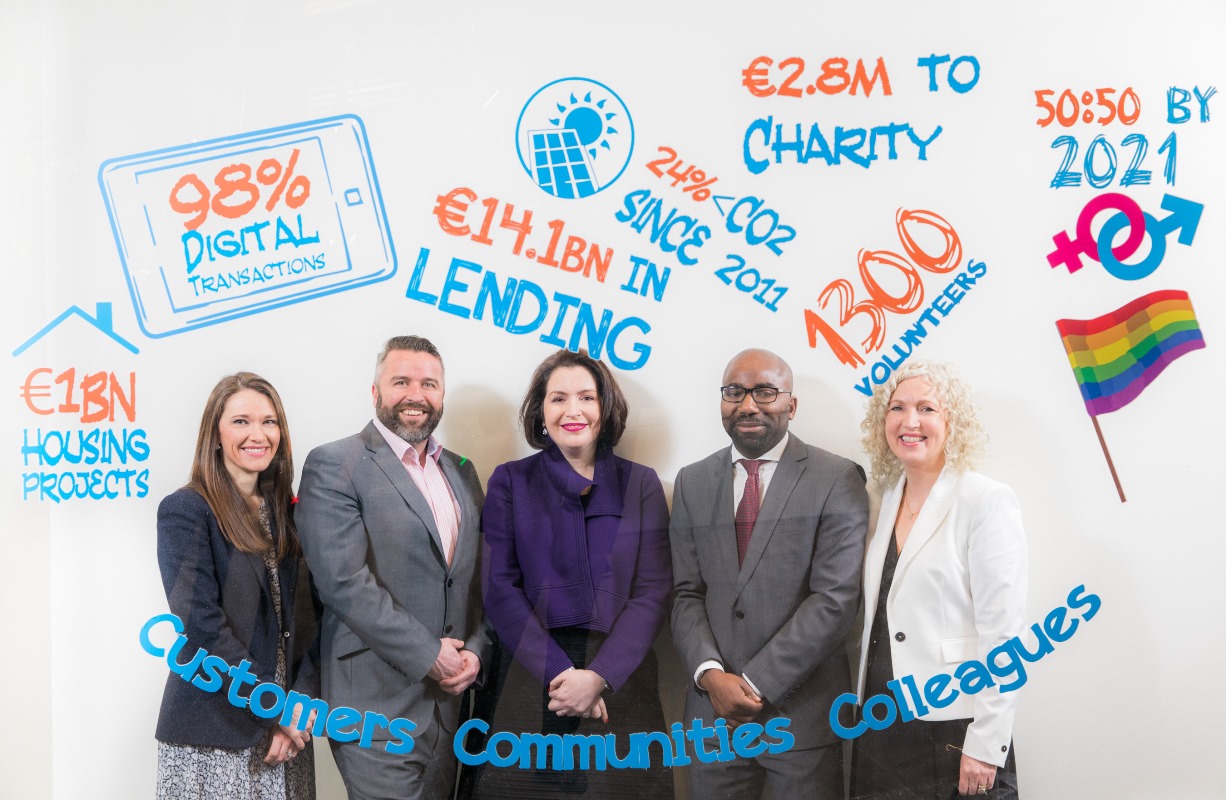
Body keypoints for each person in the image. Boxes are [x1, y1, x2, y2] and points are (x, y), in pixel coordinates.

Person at [471, 348, 674, 799]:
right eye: (558, 398)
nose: (573, 410)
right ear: (541, 412)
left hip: (620, 676)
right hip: (531, 673)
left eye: (586, 397)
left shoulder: (641, 483)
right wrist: (560, 673)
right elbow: (499, 588)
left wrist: (598, 676)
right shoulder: (509, 480)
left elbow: (654, 591)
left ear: (605, 407)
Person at [669, 348, 869, 799]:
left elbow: (835, 599)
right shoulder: (691, 481)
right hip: (713, 722)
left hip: (803, 723)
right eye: (734, 392)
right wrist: (711, 676)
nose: (748, 405)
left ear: (791, 405)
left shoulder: (837, 477)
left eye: (765, 392)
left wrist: (755, 683)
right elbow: (685, 593)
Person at [296, 335, 488, 800]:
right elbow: (343, 583)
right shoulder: (335, 463)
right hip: (373, 708)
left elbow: (478, 581)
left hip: (449, 710)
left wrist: (476, 651)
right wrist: (429, 654)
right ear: (375, 391)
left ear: (442, 394)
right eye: (401, 381)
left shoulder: (461, 470)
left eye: (429, 384)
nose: (415, 395)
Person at [851, 360, 1027, 799]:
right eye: (897, 408)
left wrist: (986, 743)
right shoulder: (884, 500)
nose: (910, 421)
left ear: (952, 421)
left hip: (954, 723)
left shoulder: (984, 499)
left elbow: (1004, 634)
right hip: (881, 720)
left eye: (926, 408)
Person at [155, 372, 318, 800]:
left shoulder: (290, 515)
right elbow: (201, 626)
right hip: (217, 728)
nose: (258, 434)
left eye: (269, 421)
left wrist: (298, 707)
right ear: (215, 434)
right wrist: (275, 707)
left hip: (288, 731)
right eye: (241, 421)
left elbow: (312, 622)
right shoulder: (186, 510)